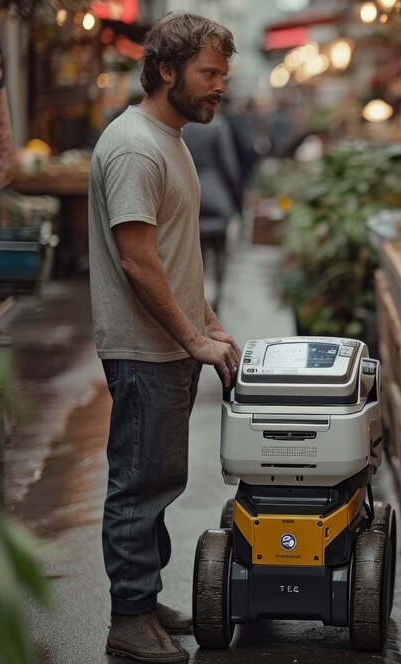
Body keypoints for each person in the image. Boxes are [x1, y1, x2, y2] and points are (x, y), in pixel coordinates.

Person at [86, 12, 240, 663]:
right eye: (209, 73)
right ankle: (128, 618)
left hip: (170, 344)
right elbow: (139, 261)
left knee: (162, 478)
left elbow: (175, 254)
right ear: (167, 69)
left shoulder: (169, 137)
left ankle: (144, 599)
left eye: (224, 76)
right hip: (144, 348)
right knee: (139, 483)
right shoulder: (134, 146)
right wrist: (190, 337)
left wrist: (206, 323)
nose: (219, 88)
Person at [182, 112, 242, 312]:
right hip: (216, 197)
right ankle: (217, 299)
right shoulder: (218, 125)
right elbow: (230, 167)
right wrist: (236, 201)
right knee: (220, 251)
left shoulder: (183, 126)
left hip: (189, 195)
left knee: (194, 253)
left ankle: (197, 301)